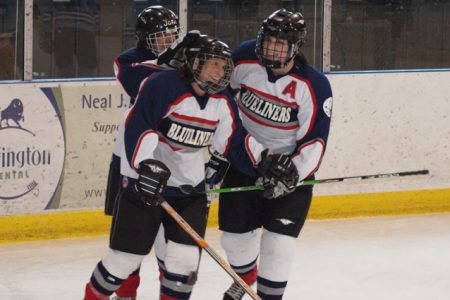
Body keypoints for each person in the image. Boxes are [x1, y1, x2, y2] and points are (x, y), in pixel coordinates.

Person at [84, 34, 289, 300]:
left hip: (188, 190)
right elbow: (138, 125)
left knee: (184, 265)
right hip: (144, 184)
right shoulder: (162, 85)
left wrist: (266, 162)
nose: (221, 71)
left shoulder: (222, 100)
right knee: (122, 262)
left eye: (223, 66)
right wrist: (144, 165)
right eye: (213, 64)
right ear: (193, 63)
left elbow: (234, 144)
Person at [216, 8, 333, 300]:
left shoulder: (314, 85)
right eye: (269, 40)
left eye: (281, 43)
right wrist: (235, 149)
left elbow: (315, 142)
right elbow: (222, 100)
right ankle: (245, 278)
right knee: (233, 239)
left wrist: (291, 174)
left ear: (296, 47)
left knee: (278, 246)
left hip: (288, 173)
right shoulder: (243, 58)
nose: (272, 47)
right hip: (244, 163)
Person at [105, 5, 182, 300]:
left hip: (171, 158)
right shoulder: (128, 61)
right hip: (129, 159)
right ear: (143, 38)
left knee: (171, 244)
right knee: (127, 243)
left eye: (172, 34)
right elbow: (141, 84)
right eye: (160, 35)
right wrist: (175, 62)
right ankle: (126, 296)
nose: (168, 39)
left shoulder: (183, 61)